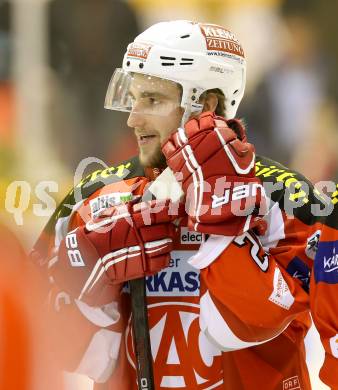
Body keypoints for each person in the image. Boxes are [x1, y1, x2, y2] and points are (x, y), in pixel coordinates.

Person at [31, 21, 337, 389]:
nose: (133, 118)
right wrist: (75, 270)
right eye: (135, 98)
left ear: (204, 104)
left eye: (153, 100)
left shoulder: (283, 198)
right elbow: (29, 331)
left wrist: (228, 233)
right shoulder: (94, 198)